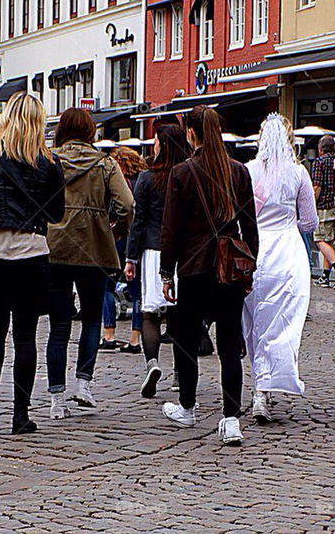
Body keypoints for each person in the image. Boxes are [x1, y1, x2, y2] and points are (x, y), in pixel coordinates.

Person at [158, 106, 259, 446]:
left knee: (186, 340)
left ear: (191, 134)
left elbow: (170, 228)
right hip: (229, 268)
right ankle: (231, 418)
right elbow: (250, 226)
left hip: (194, 267)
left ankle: (188, 405)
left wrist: (165, 271)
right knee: (230, 345)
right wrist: (250, 263)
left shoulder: (182, 173)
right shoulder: (239, 172)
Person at [0, 93, 65, 434]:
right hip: (32, 254)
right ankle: (20, 415)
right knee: (25, 337)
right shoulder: (49, 164)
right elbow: (56, 213)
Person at [45, 109, 134, 419]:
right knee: (92, 318)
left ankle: (56, 399)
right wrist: (116, 227)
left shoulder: (48, 159)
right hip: (93, 248)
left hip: (54, 247)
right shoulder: (104, 163)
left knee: (58, 325)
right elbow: (127, 203)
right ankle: (83, 383)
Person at [244, 114, 319, 422]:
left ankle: (260, 387)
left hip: (257, 250)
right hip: (288, 252)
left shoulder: (249, 171)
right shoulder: (298, 173)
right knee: (283, 320)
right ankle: (269, 383)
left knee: (256, 320)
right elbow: (310, 221)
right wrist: (289, 224)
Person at [124, 123, 189, 398]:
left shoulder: (148, 179)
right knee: (180, 314)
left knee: (150, 312)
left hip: (152, 250)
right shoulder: (187, 174)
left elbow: (138, 222)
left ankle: (152, 363)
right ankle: (179, 373)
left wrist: (130, 258)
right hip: (183, 249)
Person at [101, 146, 147, 353]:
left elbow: (116, 209)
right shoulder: (143, 180)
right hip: (138, 241)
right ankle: (135, 338)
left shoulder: (118, 183)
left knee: (107, 287)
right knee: (137, 292)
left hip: (118, 238)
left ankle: (109, 334)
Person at [311, 134, 335, 288]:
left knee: (319, 239)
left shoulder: (319, 162)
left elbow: (317, 187)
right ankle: (325, 277)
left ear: (320, 149)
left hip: (323, 207)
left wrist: (311, 204)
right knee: (329, 242)